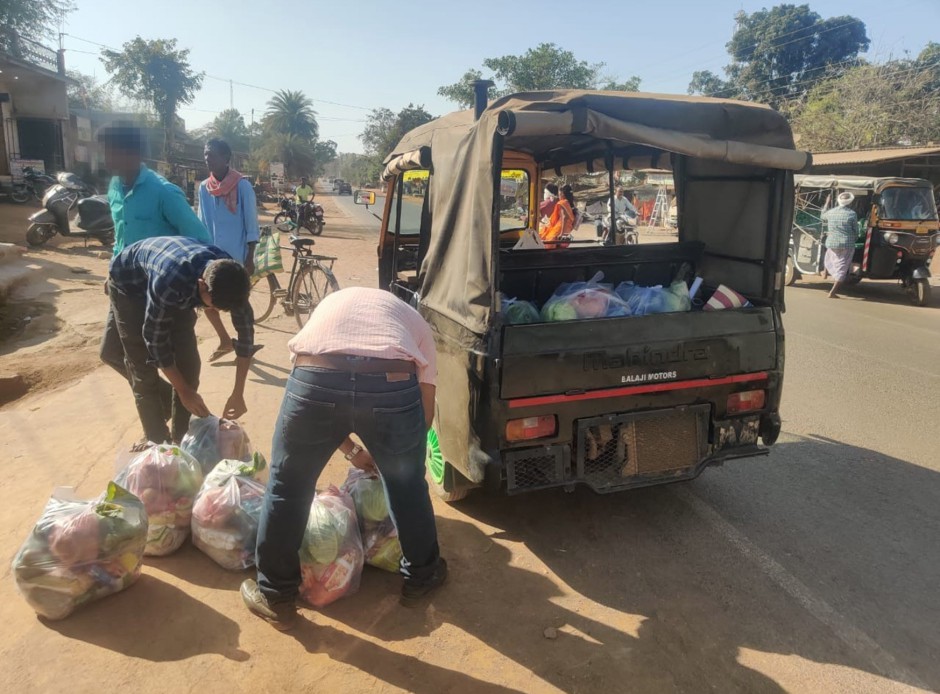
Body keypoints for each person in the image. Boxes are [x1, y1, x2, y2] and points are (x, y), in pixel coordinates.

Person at [241, 287, 446, 630]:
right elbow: (423, 417)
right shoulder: (416, 325)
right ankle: (421, 577)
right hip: (391, 382)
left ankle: (275, 594)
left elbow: (322, 400)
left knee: (288, 485)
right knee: (407, 485)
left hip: (316, 377)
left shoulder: (330, 307)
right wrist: (393, 458)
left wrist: (350, 448)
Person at [98, 125, 213, 434]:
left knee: (181, 364)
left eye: (111, 152)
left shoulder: (163, 192)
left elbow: (200, 240)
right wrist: (112, 269)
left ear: (132, 154)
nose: (105, 158)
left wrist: (199, 292)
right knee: (115, 354)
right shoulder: (114, 187)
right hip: (126, 288)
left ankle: (180, 437)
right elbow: (120, 237)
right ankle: (159, 439)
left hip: (167, 289)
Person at [108, 236, 255, 448]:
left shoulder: (231, 278)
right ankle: (157, 442)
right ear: (202, 285)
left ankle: (181, 439)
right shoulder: (169, 281)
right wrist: (184, 392)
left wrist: (238, 393)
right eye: (215, 306)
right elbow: (155, 341)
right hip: (129, 285)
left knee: (188, 363)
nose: (219, 311)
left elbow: (246, 339)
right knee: (141, 366)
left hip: (179, 283)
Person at [199, 138, 262, 362]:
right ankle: (225, 340)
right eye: (206, 154)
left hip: (237, 257)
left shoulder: (242, 186)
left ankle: (246, 345)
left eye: (213, 154)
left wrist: (250, 257)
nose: (208, 158)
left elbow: (251, 224)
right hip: (212, 258)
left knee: (239, 305)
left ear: (226, 158)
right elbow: (203, 223)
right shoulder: (204, 188)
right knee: (206, 300)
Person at [821, 192, 858, 299]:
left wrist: (827, 203)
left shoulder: (831, 212)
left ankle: (825, 272)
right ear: (850, 202)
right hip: (847, 243)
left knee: (829, 258)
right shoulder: (852, 214)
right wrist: (854, 239)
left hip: (832, 242)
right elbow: (855, 230)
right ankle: (832, 292)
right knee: (842, 267)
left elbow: (822, 216)